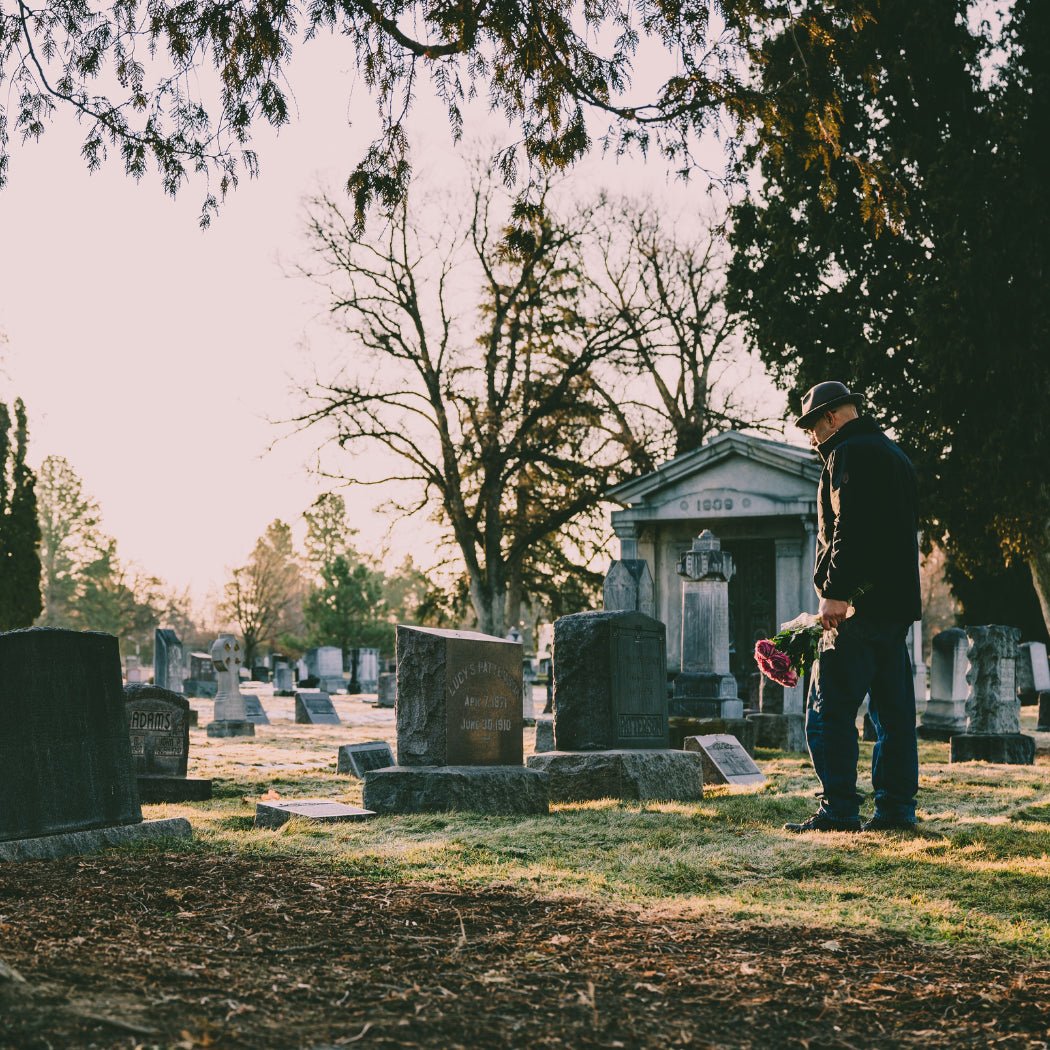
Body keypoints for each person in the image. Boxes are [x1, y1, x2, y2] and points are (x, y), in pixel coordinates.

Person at [785, 381, 922, 834]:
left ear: (830, 418)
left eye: (811, 427)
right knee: (893, 714)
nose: (811, 438)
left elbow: (851, 527)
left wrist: (836, 593)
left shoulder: (849, 454)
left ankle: (839, 809)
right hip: (894, 607)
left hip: (855, 607)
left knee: (827, 711)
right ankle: (895, 811)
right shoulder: (895, 456)